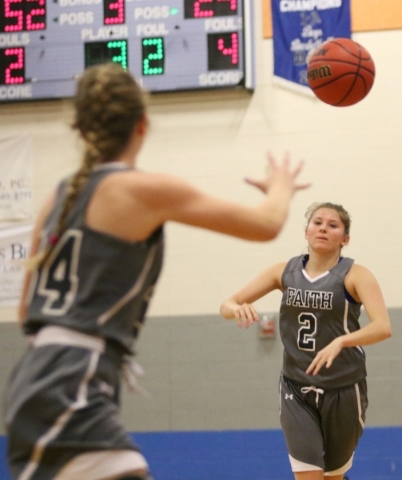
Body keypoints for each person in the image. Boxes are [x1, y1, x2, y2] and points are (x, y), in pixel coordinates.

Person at [4, 62, 309, 480]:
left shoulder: (57, 195)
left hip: (37, 377)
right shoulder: (141, 189)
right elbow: (266, 224)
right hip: (72, 381)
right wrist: (281, 187)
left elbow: (26, 313)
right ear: (143, 125)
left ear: (81, 129)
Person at [220, 202, 392, 480]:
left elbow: (383, 327)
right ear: (306, 231)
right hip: (296, 387)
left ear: (344, 239)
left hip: (344, 389)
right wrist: (236, 308)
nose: (323, 228)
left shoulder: (355, 275)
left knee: (332, 477)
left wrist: (341, 342)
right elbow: (227, 304)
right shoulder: (283, 272)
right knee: (309, 476)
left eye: (333, 225)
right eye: (317, 222)